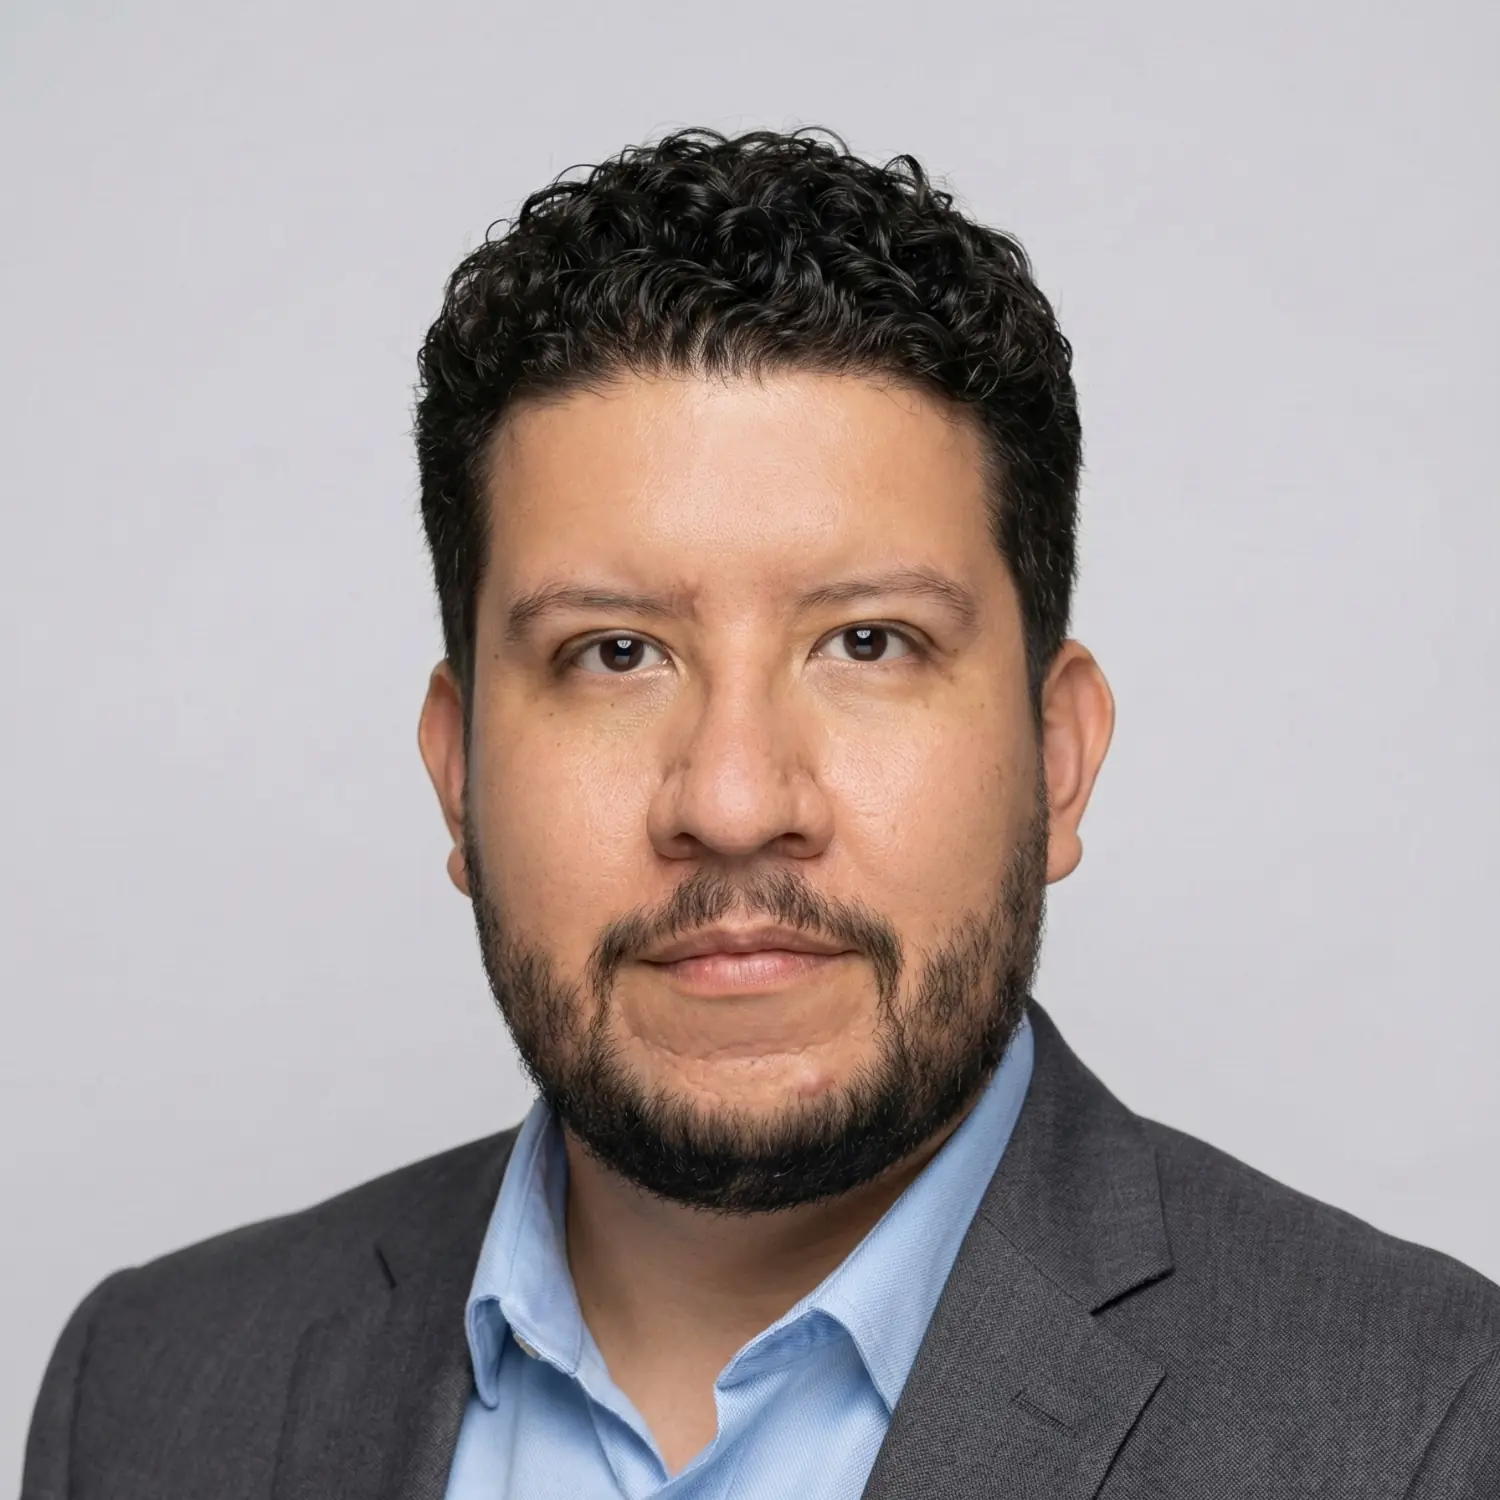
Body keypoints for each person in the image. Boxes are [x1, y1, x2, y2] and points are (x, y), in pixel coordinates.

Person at [21, 126, 1500, 1500]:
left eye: (867, 643)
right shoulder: (146, 1398)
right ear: (456, 770)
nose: (733, 803)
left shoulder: (1424, 1427)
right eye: (615, 653)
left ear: (1057, 758)